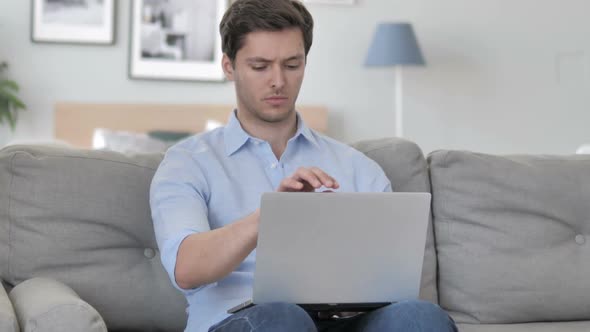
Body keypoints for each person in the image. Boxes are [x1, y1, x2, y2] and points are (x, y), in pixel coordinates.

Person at [150, 0, 458, 331]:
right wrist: (272, 216)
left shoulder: (357, 168)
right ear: (229, 66)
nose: (278, 81)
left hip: (344, 322)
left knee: (421, 317)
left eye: (292, 65)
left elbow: (391, 282)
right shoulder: (187, 162)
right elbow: (186, 268)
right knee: (283, 317)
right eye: (260, 66)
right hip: (243, 322)